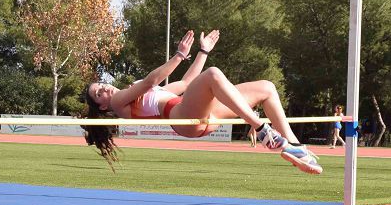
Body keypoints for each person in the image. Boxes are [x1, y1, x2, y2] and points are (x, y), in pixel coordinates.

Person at [81, 30, 321, 174]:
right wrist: (179, 55)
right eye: (98, 93)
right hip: (182, 118)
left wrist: (202, 52)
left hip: (198, 112)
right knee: (214, 75)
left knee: (267, 88)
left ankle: (294, 148)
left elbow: (186, 83)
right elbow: (150, 81)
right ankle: (263, 131)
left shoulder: (134, 93)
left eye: (101, 85)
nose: (104, 88)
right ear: (102, 106)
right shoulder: (119, 103)